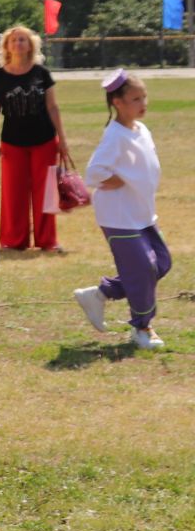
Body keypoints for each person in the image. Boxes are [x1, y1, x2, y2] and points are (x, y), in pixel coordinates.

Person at [75, 71, 168, 351]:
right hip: (119, 217)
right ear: (118, 102)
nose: (143, 103)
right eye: (135, 99)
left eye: (144, 97)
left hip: (142, 214)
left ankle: (101, 293)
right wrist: (113, 180)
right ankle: (142, 328)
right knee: (143, 267)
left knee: (162, 262)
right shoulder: (114, 135)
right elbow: (93, 174)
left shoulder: (141, 130)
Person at [0, 26, 69, 253]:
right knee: (14, 194)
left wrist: (62, 139)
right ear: (7, 46)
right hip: (13, 143)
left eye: (23, 40)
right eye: (14, 40)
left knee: (46, 193)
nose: (18, 43)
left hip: (44, 140)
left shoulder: (41, 73)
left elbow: (53, 107)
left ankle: (47, 241)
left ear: (31, 45)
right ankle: (14, 241)